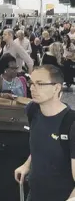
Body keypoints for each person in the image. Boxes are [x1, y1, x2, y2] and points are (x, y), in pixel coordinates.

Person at [14, 65, 75, 201]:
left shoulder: (70, 124)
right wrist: (27, 164)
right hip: (35, 194)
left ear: (57, 88)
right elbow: (41, 144)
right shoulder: (33, 110)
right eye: (31, 83)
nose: (32, 88)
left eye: (40, 84)